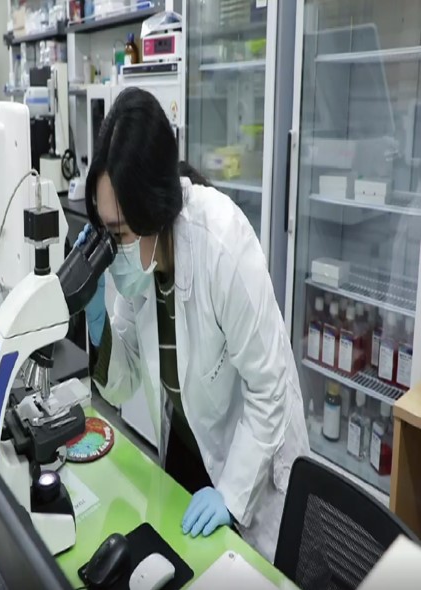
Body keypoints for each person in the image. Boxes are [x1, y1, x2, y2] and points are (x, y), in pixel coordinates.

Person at [79, 87, 309, 562]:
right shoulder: (139, 264)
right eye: (105, 229)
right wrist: (95, 316)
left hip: (251, 464)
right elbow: (122, 381)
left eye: (119, 233)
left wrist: (231, 494)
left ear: (154, 211)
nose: (113, 247)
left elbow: (270, 388)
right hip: (189, 448)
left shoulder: (222, 244)